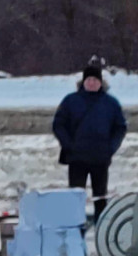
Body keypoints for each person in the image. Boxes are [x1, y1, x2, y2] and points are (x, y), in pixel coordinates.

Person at [51, 56, 128, 203]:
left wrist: (110, 148)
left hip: (100, 157)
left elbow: (120, 127)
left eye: (95, 80)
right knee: (75, 196)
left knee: (100, 196)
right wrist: (68, 145)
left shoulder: (110, 103)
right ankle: (75, 225)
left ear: (101, 82)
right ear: (83, 82)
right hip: (77, 157)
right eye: (89, 80)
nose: (92, 83)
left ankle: (101, 224)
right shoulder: (71, 101)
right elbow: (58, 124)